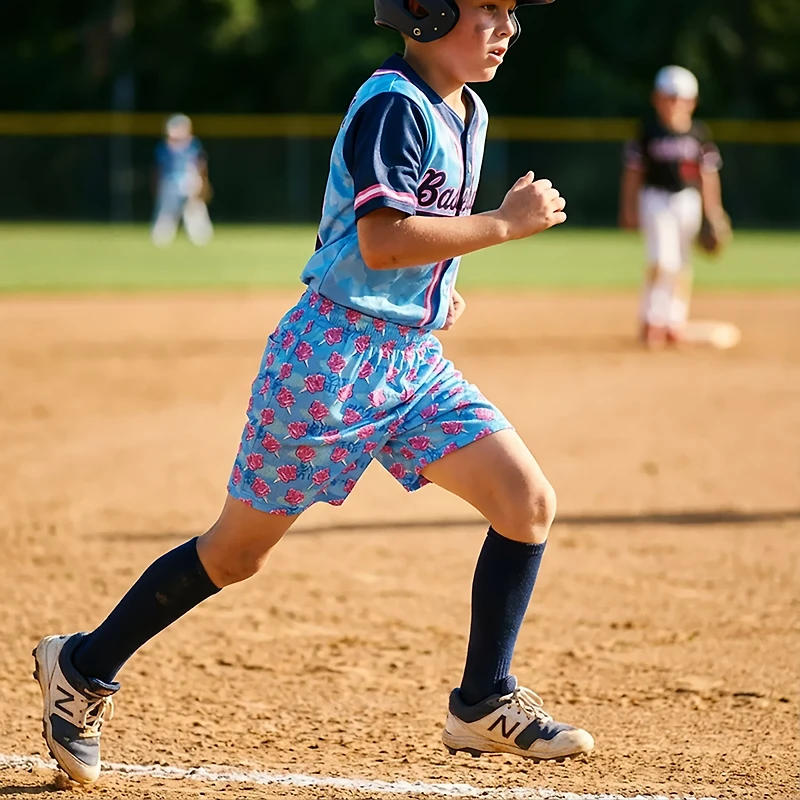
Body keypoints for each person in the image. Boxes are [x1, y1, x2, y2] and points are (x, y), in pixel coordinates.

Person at [33, 0, 594, 785]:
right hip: (329, 364)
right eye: (488, 10)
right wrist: (502, 225)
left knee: (526, 503)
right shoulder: (394, 104)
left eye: (510, 11)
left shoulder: (467, 109)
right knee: (235, 553)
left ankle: (481, 701)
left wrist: (433, 296)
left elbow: (410, 242)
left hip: (410, 360)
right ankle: (82, 668)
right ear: (428, 13)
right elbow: (382, 237)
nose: (508, 27)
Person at [619, 66, 726, 347]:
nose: (674, 104)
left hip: (687, 202)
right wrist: (628, 208)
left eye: (680, 98)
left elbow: (708, 176)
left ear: (692, 102)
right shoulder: (648, 132)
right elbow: (633, 173)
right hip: (654, 199)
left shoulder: (698, 133)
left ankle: (674, 322)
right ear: (657, 99)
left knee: (681, 265)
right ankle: (651, 320)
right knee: (662, 261)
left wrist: (713, 212)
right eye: (668, 98)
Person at [151, 114, 213, 247]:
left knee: (195, 210)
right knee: (167, 211)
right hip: (170, 183)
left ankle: (200, 236)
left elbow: (201, 165)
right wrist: (156, 185)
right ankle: (161, 237)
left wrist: (203, 184)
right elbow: (159, 169)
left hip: (190, 181)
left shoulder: (193, 145)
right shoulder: (164, 147)